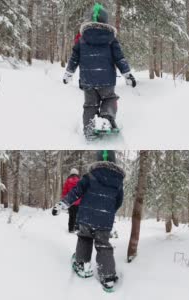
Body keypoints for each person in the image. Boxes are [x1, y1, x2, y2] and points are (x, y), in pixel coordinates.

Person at [52, 150, 125, 290]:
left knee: (85, 238)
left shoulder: (90, 175)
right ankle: (108, 277)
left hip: (86, 216)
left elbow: (76, 192)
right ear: (114, 161)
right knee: (103, 245)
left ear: (98, 160)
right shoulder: (118, 181)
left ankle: (82, 264)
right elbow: (119, 201)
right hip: (105, 220)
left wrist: (62, 205)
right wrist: (109, 212)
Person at [63, 3, 136, 140]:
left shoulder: (82, 39)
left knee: (90, 105)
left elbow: (74, 58)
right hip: (107, 80)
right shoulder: (111, 39)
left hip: (87, 80)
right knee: (109, 98)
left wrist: (69, 73)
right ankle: (107, 117)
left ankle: (89, 130)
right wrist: (127, 74)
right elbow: (119, 58)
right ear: (105, 20)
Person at [61, 168, 82, 233]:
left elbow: (64, 192)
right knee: (78, 216)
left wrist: (64, 200)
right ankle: (77, 228)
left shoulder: (68, 181)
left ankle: (70, 229)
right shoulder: (80, 181)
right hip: (78, 202)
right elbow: (82, 192)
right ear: (77, 173)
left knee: (71, 216)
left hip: (70, 202)